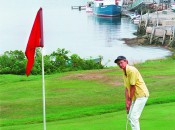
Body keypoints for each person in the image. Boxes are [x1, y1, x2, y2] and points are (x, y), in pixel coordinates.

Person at [114, 56, 149, 130]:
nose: (120, 65)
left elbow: (133, 86)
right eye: (118, 64)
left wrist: (130, 100)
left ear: (126, 61)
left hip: (141, 95)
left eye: (121, 62)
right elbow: (127, 88)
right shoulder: (124, 71)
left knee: (134, 117)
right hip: (135, 96)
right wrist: (127, 102)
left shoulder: (131, 70)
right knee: (129, 116)